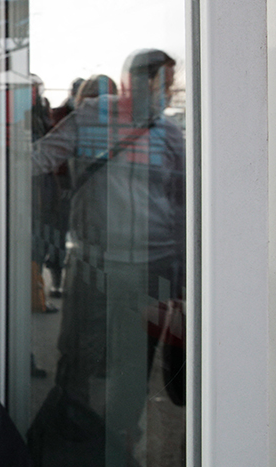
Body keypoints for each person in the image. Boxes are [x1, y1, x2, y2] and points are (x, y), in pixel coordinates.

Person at [28, 50, 186, 464]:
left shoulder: (169, 134)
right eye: (164, 84)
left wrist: (184, 272)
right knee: (81, 351)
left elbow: (185, 204)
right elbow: (39, 158)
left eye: (171, 85)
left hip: (153, 265)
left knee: (132, 361)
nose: (168, 93)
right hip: (96, 263)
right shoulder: (94, 116)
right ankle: (69, 435)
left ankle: (119, 439)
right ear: (139, 82)